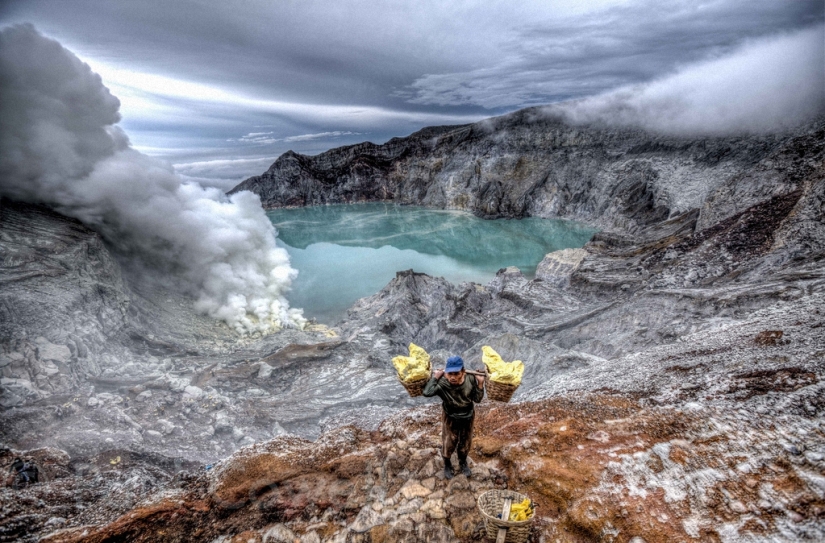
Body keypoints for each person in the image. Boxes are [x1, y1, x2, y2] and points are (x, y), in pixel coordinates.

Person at [422, 355, 485, 479]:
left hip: (467, 416)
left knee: (465, 441)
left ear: (463, 372)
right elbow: (427, 392)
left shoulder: (470, 379)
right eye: (449, 374)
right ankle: (447, 463)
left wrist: (480, 383)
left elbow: (477, 399)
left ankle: (463, 462)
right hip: (450, 416)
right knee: (449, 441)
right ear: (445, 373)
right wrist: (436, 377)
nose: (452, 377)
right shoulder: (443, 383)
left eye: (456, 373)